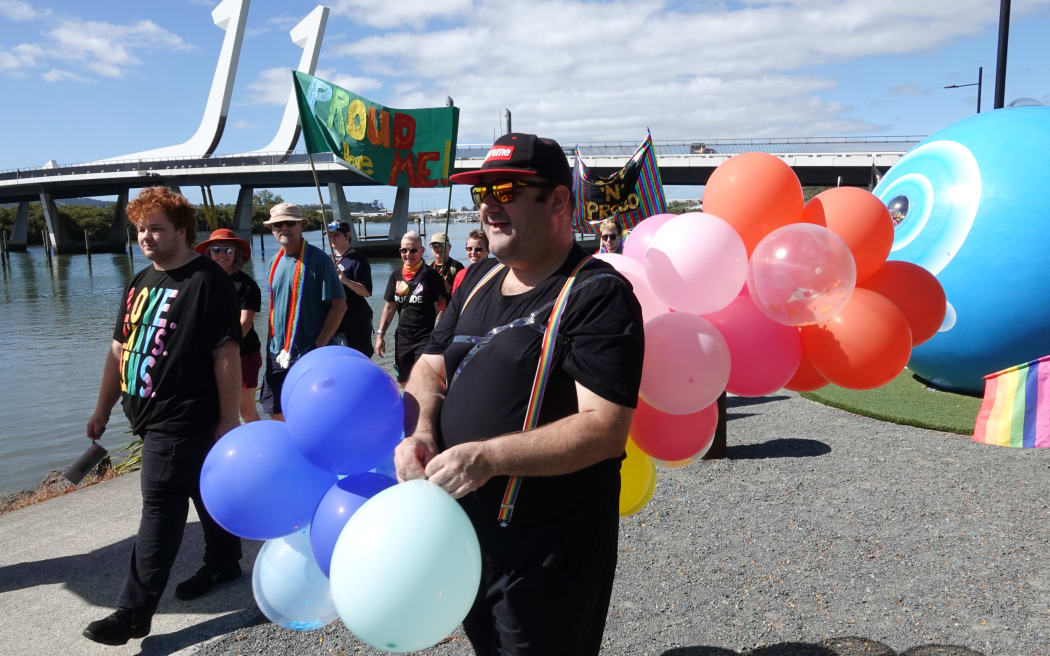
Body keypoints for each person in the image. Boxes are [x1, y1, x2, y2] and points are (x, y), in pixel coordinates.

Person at [394, 133, 645, 655]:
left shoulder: (597, 293)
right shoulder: (479, 277)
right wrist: (420, 429)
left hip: (547, 551)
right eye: (481, 192)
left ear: (557, 201)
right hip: (465, 534)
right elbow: (428, 368)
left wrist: (489, 457)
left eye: (506, 188)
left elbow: (604, 429)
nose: (488, 204)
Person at [82, 187, 244, 646]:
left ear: (181, 231)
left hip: (184, 415)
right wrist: (102, 407)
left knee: (159, 507)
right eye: (140, 230)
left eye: (156, 228)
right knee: (199, 488)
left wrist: (229, 419)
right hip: (146, 416)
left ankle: (133, 614)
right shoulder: (139, 282)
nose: (146, 237)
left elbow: (225, 353)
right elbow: (118, 350)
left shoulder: (206, 280)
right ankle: (224, 560)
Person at [259, 203, 346, 420]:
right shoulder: (273, 261)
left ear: (301, 226)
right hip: (277, 353)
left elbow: (339, 305)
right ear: (272, 229)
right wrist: (269, 348)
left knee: (311, 413)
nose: (284, 228)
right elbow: (274, 308)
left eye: (290, 223)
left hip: (308, 353)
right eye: (278, 224)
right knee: (275, 409)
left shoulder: (319, 260)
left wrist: (319, 344)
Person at [194, 228, 262, 422]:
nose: (222, 254)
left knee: (245, 409)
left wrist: (221, 350)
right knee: (214, 408)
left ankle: (258, 449)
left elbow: (245, 324)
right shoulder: (202, 282)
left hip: (244, 353)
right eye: (216, 250)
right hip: (210, 355)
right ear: (209, 254)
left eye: (228, 250)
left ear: (236, 255)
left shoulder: (247, 285)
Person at [376, 231, 447, 385]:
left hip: (425, 337)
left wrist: (439, 338)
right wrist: (380, 335)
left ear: (421, 251)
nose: (408, 254)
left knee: (423, 381)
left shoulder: (433, 276)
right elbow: (389, 307)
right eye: (404, 250)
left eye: (413, 250)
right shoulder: (395, 275)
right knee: (403, 381)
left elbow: (441, 309)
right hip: (402, 338)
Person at [327, 220, 374, 358]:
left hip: (354, 319)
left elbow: (366, 291)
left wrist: (345, 280)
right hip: (334, 318)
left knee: (356, 357)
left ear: (347, 235)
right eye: (330, 235)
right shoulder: (328, 259)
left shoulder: (358, 261)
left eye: (336, 235)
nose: (332, 238)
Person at [451, 228, 490, 295]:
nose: (473, 253)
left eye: (478, 249)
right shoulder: (461, 275)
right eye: (469, 249)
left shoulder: (496, 273)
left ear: (488, 250)